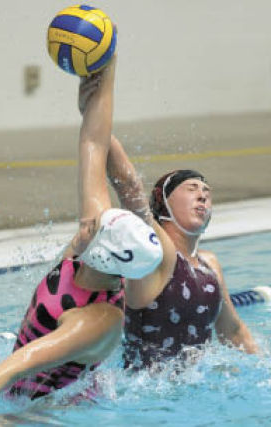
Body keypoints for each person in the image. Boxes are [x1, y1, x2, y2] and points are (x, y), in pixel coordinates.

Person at [0, 57, 163, 413]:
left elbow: (14, 367)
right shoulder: (95, 248)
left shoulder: (97, 320)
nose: (85, 224)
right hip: (22, 389)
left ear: (102, 254)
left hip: (54, 410)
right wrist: (105, 68)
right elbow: (94, 144)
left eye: (92, 228)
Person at [105, 135, 259, 368]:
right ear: (163, 200)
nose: (203, 195)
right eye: (192, 188)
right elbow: (128, 188)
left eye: (207, 192)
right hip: (148, 395)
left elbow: (234, 332)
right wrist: (99, 125)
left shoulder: (209, 264)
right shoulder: (153, 253)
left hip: (197, 389)